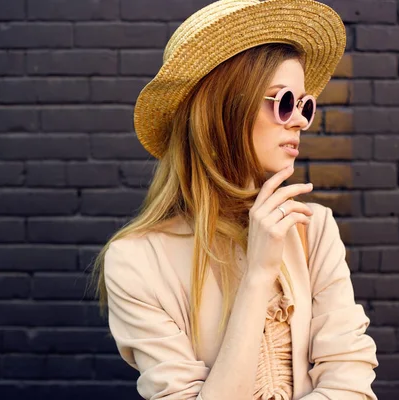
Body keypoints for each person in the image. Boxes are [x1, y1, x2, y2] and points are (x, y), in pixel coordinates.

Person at [90, 1, 378, 399]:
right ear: (224, 109)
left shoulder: (314, 229)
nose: (300, 120)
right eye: (283, 102)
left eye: (304, 105)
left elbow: (351, 382)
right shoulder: (135, 262)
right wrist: (258, 274)